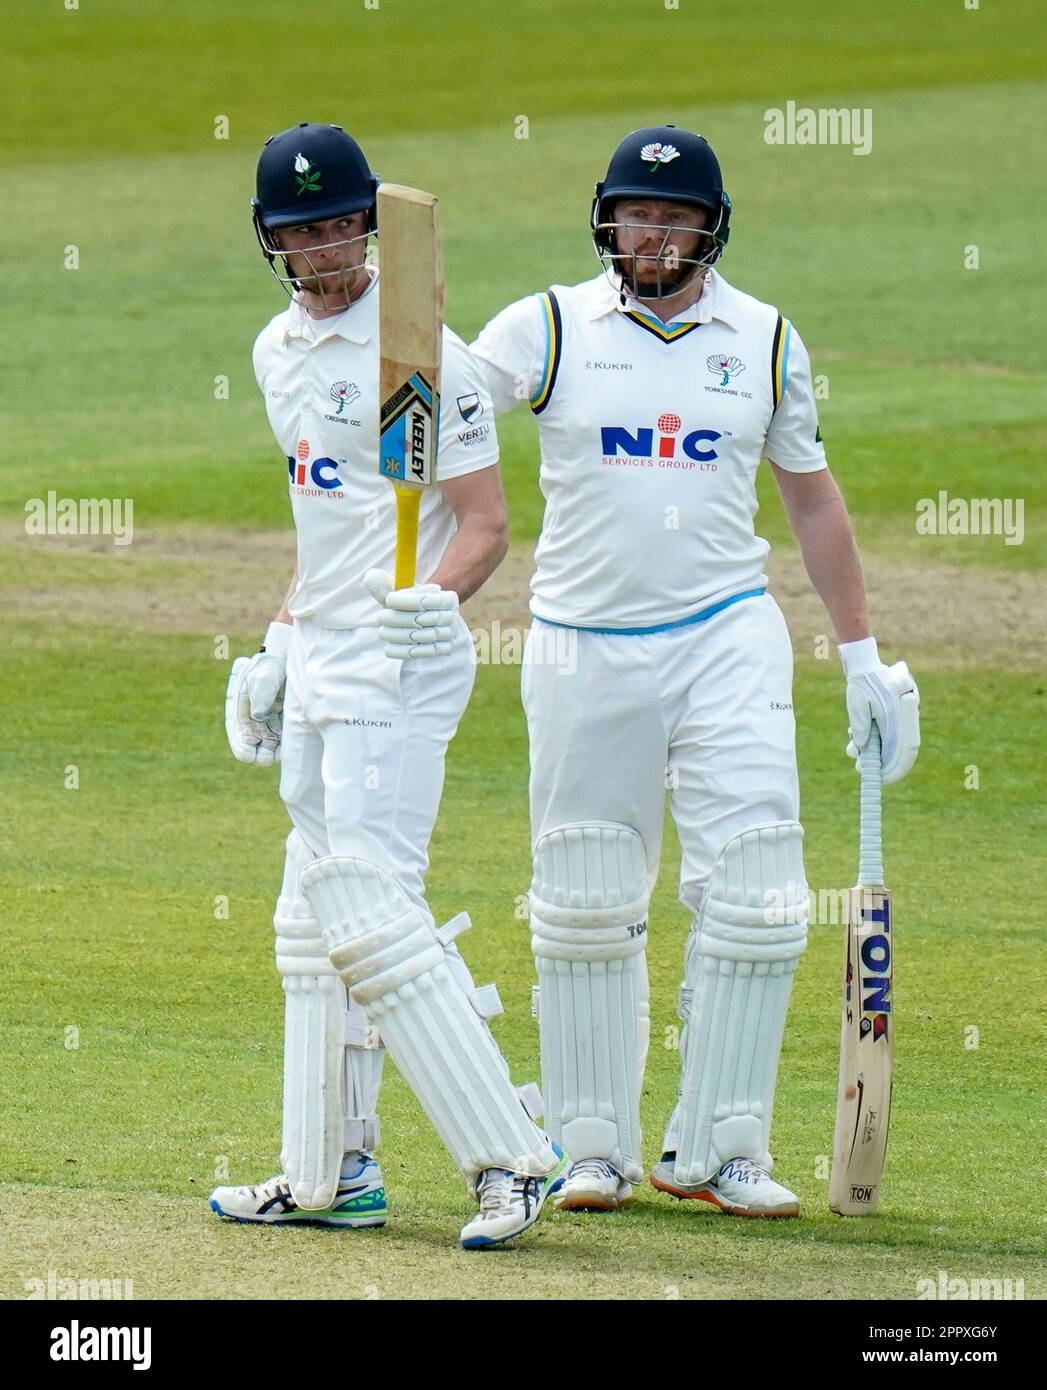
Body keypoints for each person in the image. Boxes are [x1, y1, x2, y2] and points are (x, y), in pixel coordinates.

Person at [470, 125, 920, 1217]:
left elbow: (811, 498)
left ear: (711, 227)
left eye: (673, 216)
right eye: (635, 214)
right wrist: (403, 358)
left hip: (728, 634)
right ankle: (589, 1146)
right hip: (582, 639)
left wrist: (862, 656)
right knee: (584, 895)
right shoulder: (547, 325)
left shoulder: (763, 338)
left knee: (764, 895)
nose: (653, 232)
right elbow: (438, 415)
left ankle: (719, 1148)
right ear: (606, 220)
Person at [213, 122, 565, 1248]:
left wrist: (436, 600)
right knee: (311, 919)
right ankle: (329, 1172)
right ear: (271, 240)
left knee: (369, 906)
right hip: (321, 653)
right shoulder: (277, 352)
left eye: (338, 224)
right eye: (300, 230)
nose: (323, 248)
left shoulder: (422, 354)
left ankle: (515, 1153)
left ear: (369, 225)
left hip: (403, 663)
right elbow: (332, 526)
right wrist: (276, 641)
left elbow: (487, 525)